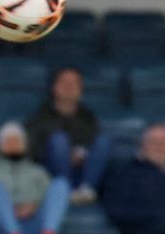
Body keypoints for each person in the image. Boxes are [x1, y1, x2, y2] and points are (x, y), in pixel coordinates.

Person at [0, 122, 69, 234]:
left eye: (17, 141)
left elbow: (50, 202)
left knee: (61, 184)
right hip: (2, 229)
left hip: (34, 223)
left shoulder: (38, 172)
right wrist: (14, 209)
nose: (13, 145)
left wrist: (33, 207)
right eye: (9, 142)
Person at [25, 67, 110, 204]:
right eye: (65, 83)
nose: (69, 87)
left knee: (103, 141)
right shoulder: (40, 116)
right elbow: (32, 149)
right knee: (59, 141)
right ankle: (64, 191)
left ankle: (87, 190)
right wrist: (66, 154)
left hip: (82, 171)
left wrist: (80, 153)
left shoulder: (88, 117)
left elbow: (93, 142)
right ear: (54, 88)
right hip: (51, 173)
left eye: (74, 84)